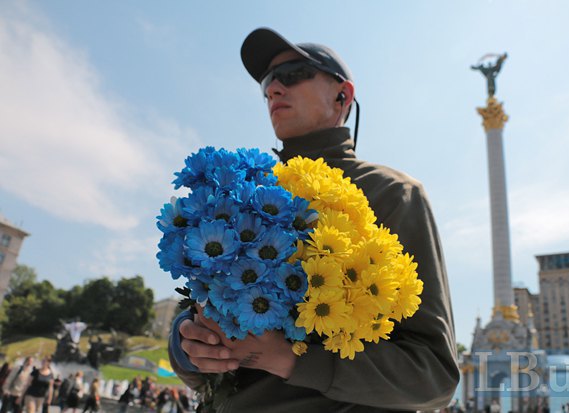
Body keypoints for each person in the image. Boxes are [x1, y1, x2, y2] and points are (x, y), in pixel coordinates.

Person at [167, 27, 459, 412]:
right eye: (268, 83)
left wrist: (291, 360)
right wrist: (189, 345)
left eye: (293, 74)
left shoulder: (393, 194)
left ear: (344, 95)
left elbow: (434, 378)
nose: (274, 89)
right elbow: (193, 334)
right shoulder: (240, 191)